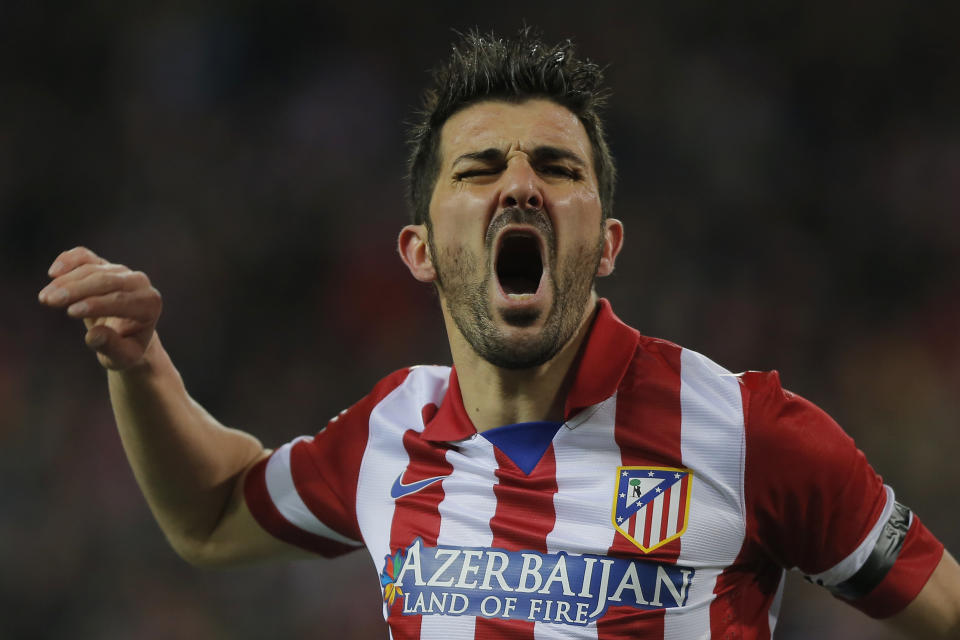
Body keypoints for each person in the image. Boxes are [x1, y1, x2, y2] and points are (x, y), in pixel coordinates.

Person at [38, 27, 959, 639]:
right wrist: (139, 363)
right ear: (420, 249)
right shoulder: (389, 430)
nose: (520, 185)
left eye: (556, 167)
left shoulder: (748, 430)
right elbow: (209, 517)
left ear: (606, 244)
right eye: (480, 167)